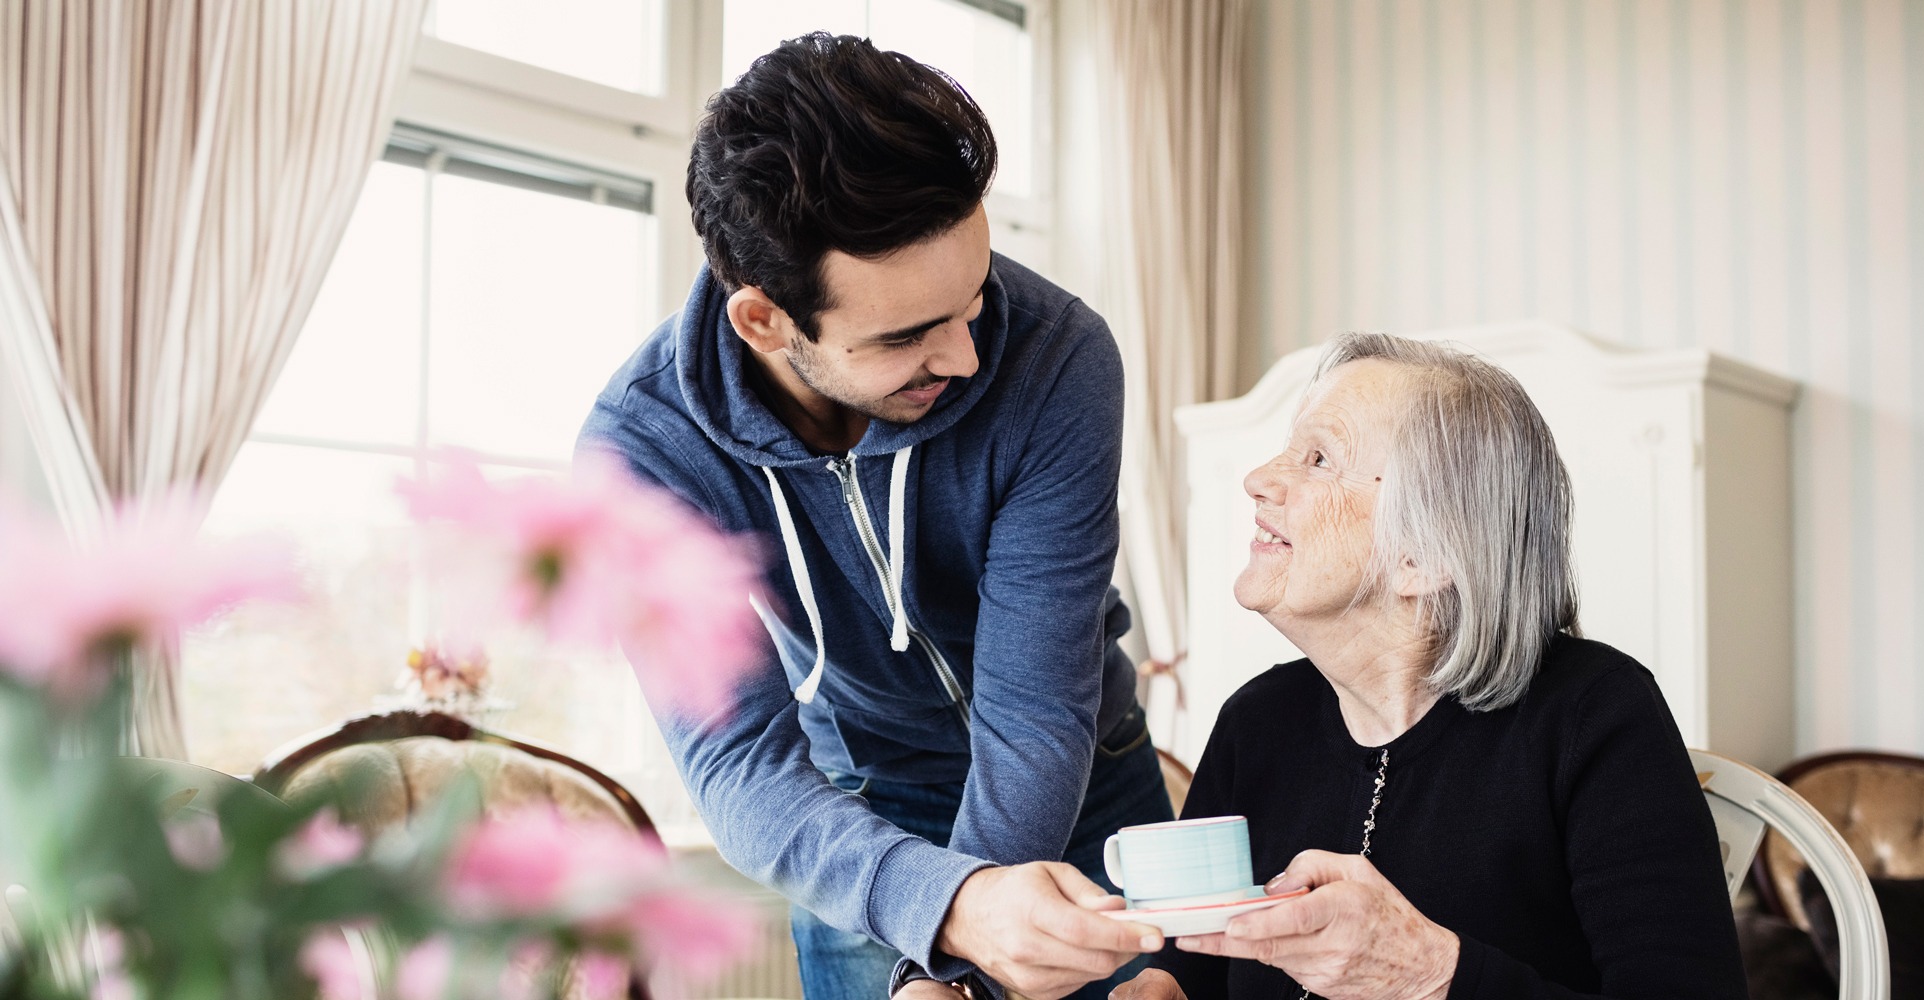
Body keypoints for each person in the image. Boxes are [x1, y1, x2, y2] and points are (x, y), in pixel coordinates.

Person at [578, 32, 1173, 1000]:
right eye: (907, 335)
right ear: (763, 320)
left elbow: (1032, 711)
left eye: (971, 302)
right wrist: (937, 923)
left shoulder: (1059, 356)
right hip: (857, 818)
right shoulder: (642, 456)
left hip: (1084, 778)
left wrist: (951, 959)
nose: (966, 357)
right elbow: (736, 761)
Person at [1112, 334, 1748, 1000]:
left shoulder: (1596, 717)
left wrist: (1431, 972)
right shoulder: (1258, 722)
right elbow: (1196, 966)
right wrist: (1162, 988)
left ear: (1424, 553)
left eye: (1320, 458)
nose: (1260, 479)